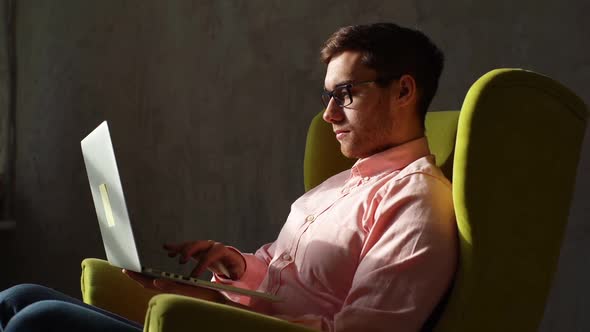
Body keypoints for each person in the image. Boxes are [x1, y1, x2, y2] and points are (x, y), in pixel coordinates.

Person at [0, 22, 457, 332]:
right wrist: (237, 269)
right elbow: (285, 278)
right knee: (19, 296)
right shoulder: (337, 186)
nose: (328, 114)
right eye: (326, 95)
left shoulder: (416, 201)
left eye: (345, 94)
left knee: (36, 321)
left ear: (403, 90)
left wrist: (220, 315)